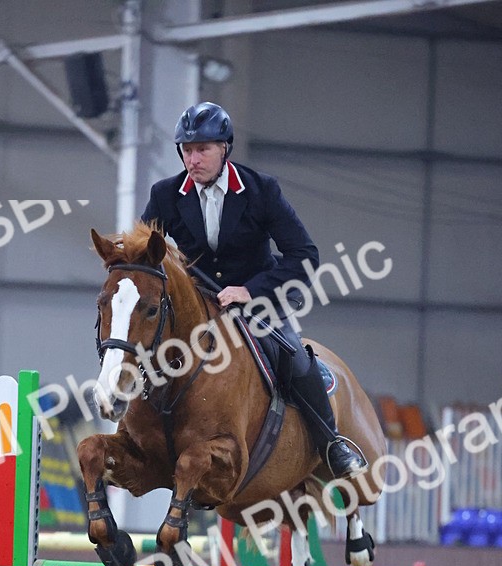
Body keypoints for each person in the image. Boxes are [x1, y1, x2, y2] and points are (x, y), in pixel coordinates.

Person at [141, 100, 366, 480]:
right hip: (199, 305)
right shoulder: (165, 194)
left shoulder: (261, 191)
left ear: (224, 148)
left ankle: (331, 443)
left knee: (294, 357)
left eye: (202, 150)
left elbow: (304, 254)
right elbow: (144, 253)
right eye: (187, 151)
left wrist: (249, 290)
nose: (193, 160)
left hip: (258, 303)